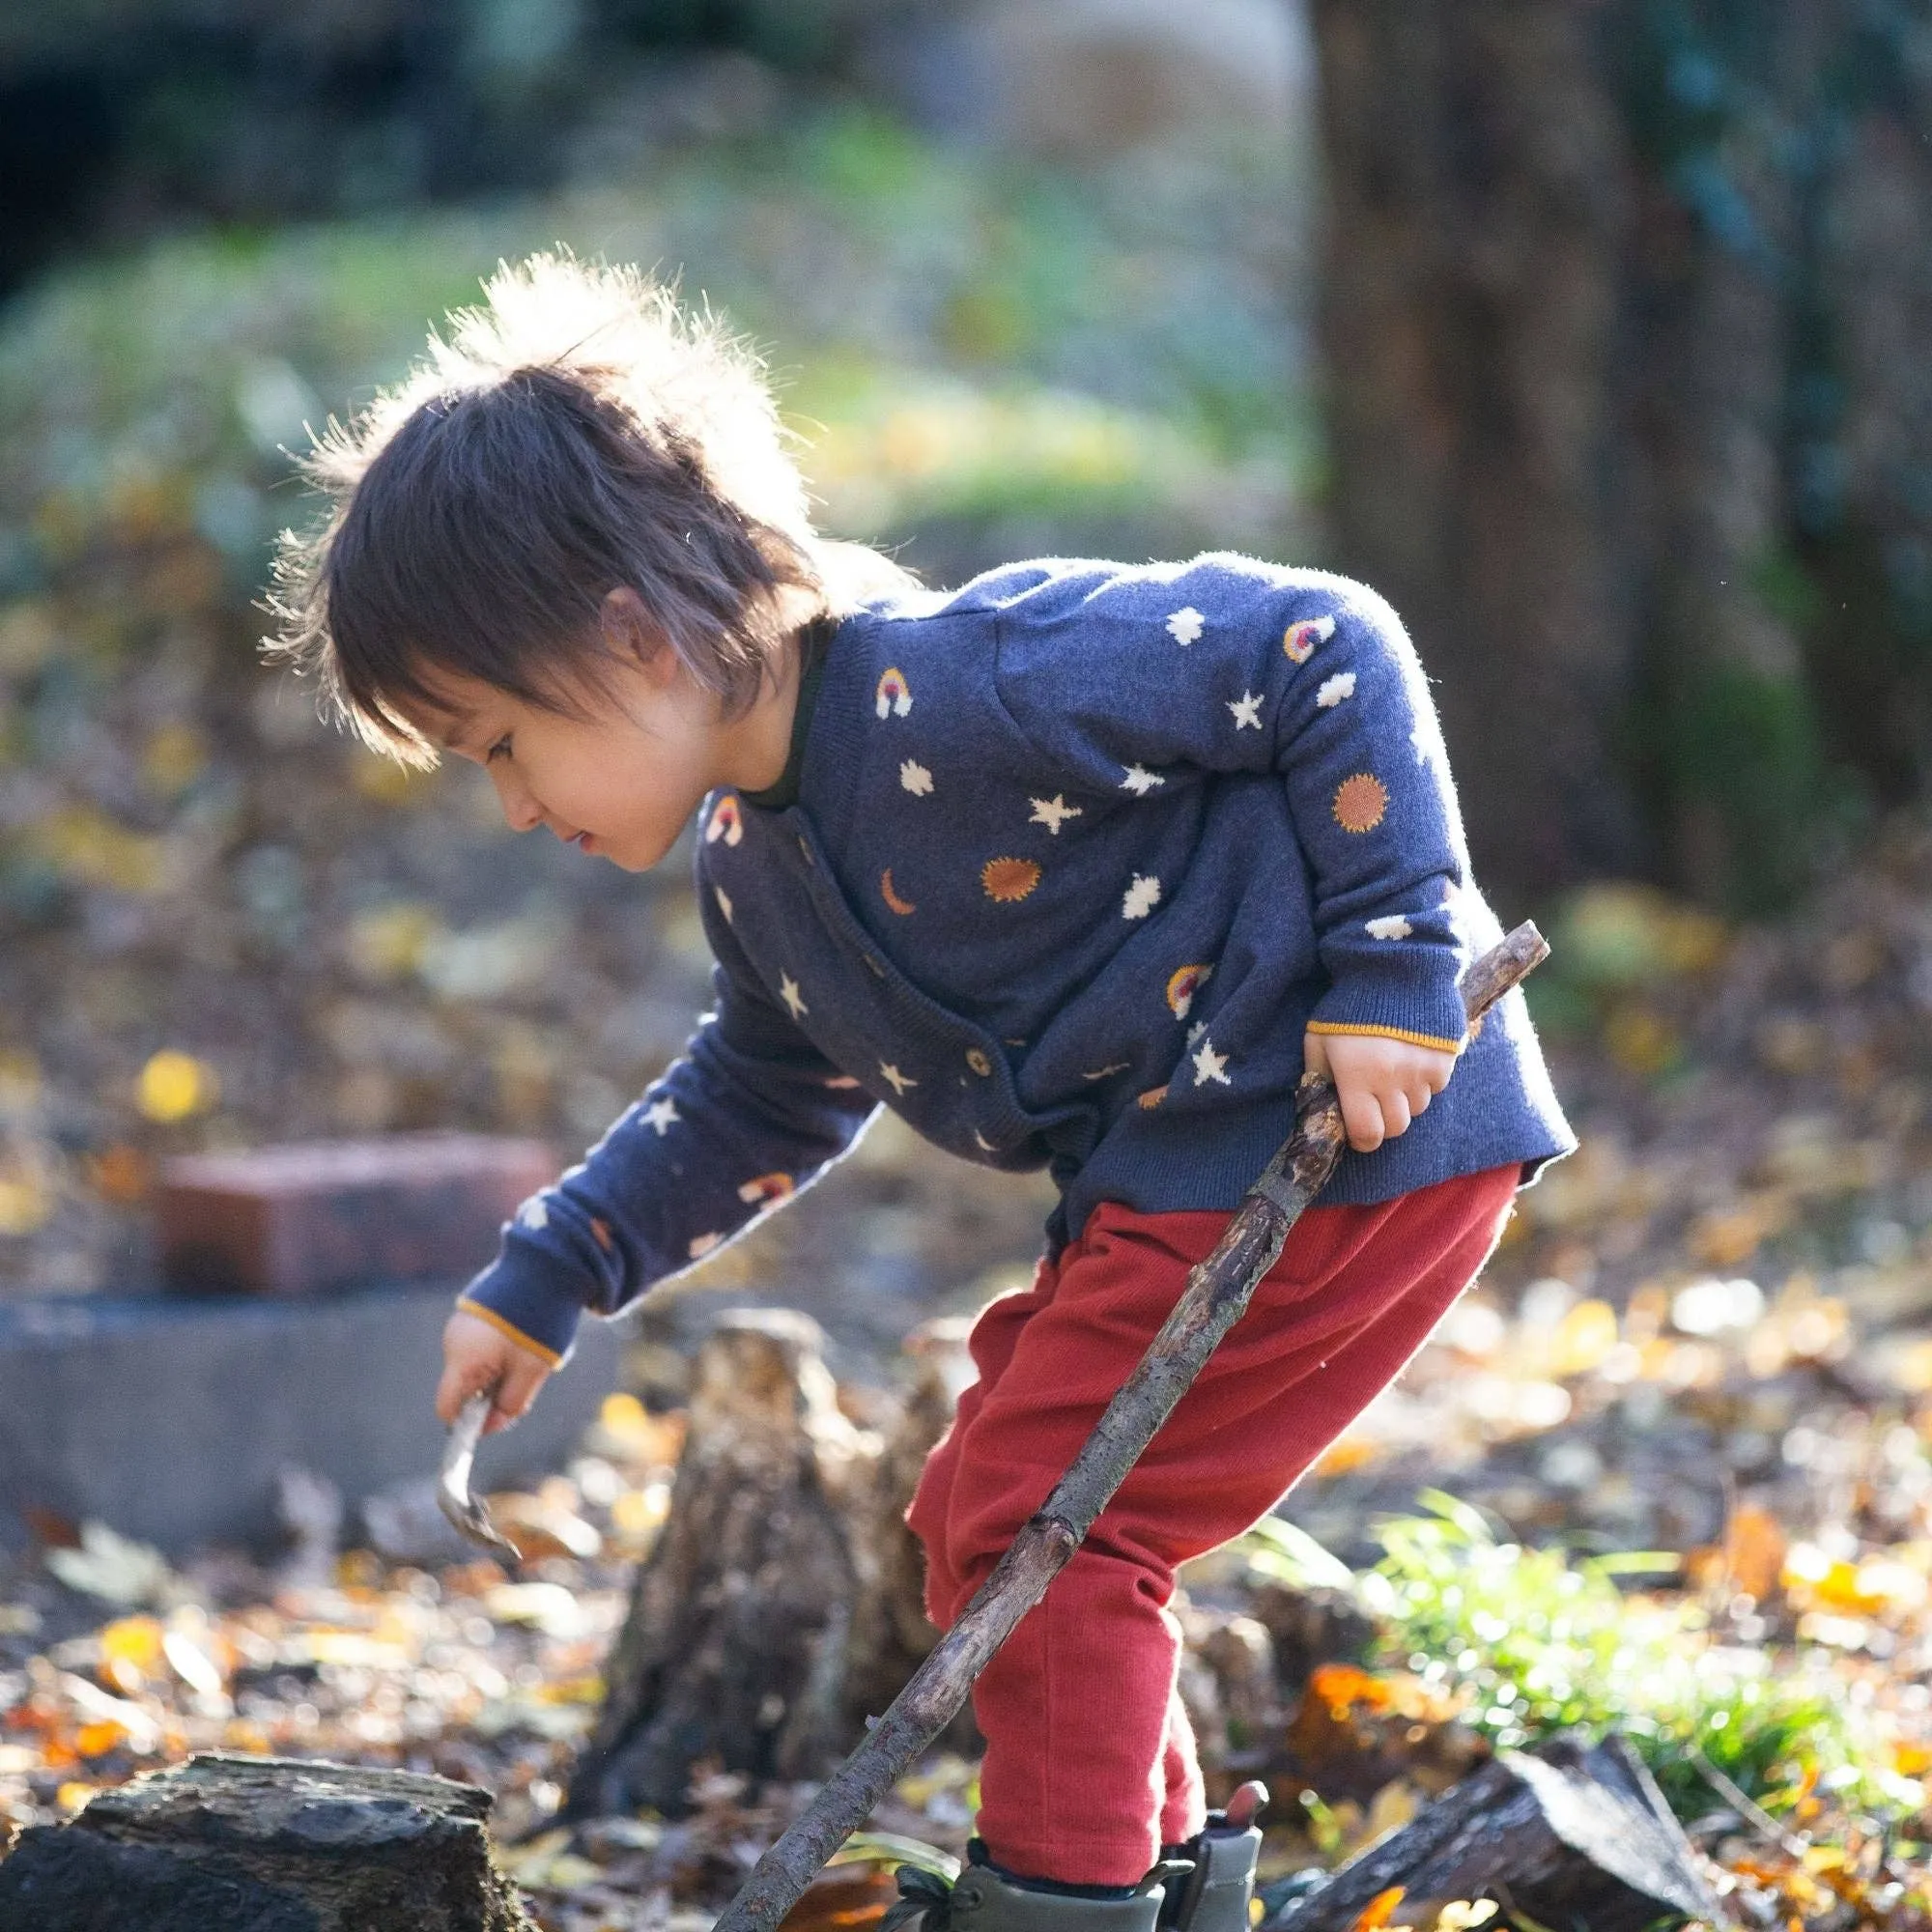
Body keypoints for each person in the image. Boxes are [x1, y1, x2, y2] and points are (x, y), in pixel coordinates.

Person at [268, 254, 1574, 1932]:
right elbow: (760, 1093)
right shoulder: (754, 861)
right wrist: (559, 1267)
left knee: (1053, 1519)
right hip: (1172, 1189)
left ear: (634, 633)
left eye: (505, 744)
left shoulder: (971, 682)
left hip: (1338, 1137)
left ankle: (1060, 1901)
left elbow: (1329, 638)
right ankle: (1155, 1882)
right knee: (987, 1514)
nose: (514, 807)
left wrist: (1395, 957)